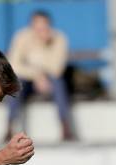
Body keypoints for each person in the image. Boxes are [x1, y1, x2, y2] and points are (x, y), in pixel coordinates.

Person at [6, 10, 75, 141]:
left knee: (58, 83)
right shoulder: (21, 36)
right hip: (28, 81)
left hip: (49, 82)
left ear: (49, 25)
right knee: (15, 84)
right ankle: (9, 127)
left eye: (44, 26)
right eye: (37, 25)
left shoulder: (59, 38)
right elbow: (14, 65)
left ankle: (65, 127)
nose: (40, 29)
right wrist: (37, 75)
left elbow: (57, 69)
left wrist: (44, 47)